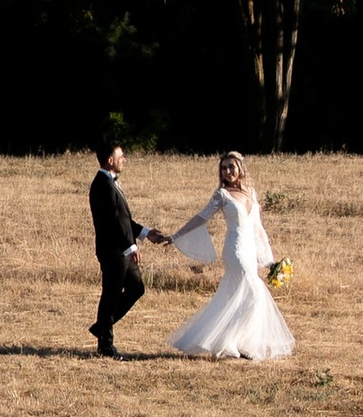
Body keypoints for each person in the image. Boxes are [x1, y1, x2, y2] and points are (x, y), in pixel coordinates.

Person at [165, 151, 296, 362]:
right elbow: (201, 217)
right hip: (235, 250)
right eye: (224, 168)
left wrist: (269, 258)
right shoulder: (222, 195)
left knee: (241, 297)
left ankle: (236, 342)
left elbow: (258, 227)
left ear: (240, 168)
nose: (227, 172)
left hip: (250, 249)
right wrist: (176, 235)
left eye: (231, 167)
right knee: (254, 294)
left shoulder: (250, 193)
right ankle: (231, 341)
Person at [87, 145, 161, 357]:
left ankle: (101, 327)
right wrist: (131, 247)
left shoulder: (110, 182)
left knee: (136, 288)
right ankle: (106, 346)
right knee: (110, 294)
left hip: (121, 250)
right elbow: (113, 222)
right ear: (110, 160)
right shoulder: (103, 185)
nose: (125, 159)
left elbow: (124, 219)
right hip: (114, 251)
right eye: (121, 156)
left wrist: (146, 233)